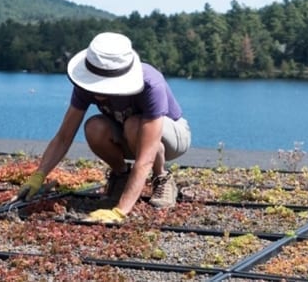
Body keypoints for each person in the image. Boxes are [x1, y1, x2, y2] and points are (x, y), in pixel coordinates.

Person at [17, 32, 191, 223]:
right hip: (128, 132)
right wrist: (38, 176)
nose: (97, 89)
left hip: (172, 136)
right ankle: (121, 176)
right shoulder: (86, 86)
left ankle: (162, 179)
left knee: (134, 124)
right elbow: (63, 137)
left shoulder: (150, 83)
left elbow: (146, 157)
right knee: (94, 127)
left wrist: (120, 211)